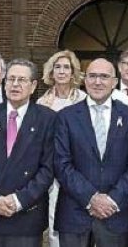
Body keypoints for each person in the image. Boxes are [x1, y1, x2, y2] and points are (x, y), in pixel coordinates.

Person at [53, 58, 128, 247]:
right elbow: (61, 164)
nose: (97, 82)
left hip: (118, 215)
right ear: (84, 80)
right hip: (75, 215)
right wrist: (91, 198)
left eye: (104, 77)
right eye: (92, 76)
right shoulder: (65, 117)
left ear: (115, 82)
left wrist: (113, 200)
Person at [0, 59, 58, 247]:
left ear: (33, 86)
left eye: (21, 80)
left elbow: (48, 169)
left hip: (26, 217)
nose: (15, 84)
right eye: (11, 79)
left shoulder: (47, 118)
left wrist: (18, 200)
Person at [37, 50, 87, 247]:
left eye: (66, 67)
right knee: (53, 216)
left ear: (73, 72)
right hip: (50, 167)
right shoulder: (42, 102)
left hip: (78, 166)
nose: (62, 71)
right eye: (57, 67)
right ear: (51, 71)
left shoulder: (83, 99)